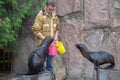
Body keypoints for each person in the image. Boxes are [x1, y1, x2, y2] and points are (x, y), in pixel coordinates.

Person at [32, 0, 59, 73]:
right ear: (46, 6)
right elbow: (36, 30)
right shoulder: (40, 16)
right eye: (50, 9)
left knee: (50, 66)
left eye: (53, 9)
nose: (51, 11)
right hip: (42, 46)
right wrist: (46, 41)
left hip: (52, 45)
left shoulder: (55, 16)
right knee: (41, 66)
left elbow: (57, 29)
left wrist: (56, 37)